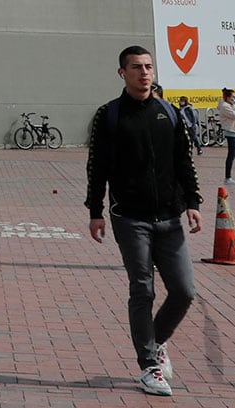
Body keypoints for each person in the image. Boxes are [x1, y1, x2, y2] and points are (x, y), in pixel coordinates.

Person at [86, 44, 203, 397]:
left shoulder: (169, 112)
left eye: (149, 67)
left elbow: (184, 162)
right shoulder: (109, 116)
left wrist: (193, 202)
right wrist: (95, 211)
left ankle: (156, 340)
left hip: (169, 217)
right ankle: (150, 366)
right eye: (136, 67)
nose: (144, 73)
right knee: (143, 289)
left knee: (184, 291)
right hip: (129, 217)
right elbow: (97, 168)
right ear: (122, 73)